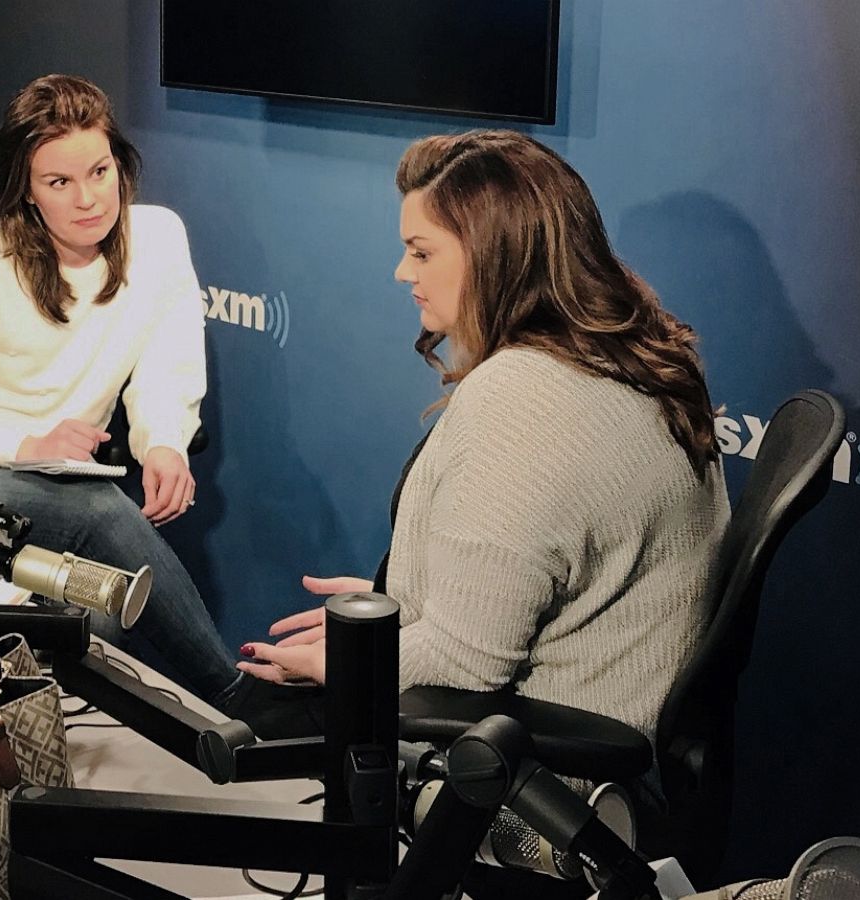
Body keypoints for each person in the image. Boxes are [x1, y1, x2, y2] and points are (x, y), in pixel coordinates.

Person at [231, 131, 731, 771]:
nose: (402, 273)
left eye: (421, 252)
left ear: (493, 255)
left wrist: (341, 658)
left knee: (252, 717)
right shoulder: (629, 355)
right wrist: (401, 597)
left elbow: (467, 663)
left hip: (533, 780)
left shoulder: (525, 402)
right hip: (602, 726)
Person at [0, 74, 239, 706]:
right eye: (60, 183)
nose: (89, 200)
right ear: (26, 189)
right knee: (100, 514)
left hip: (60, 486)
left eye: (100, 172)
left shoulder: (158, 240)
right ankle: (235, 697)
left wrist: (164, 444)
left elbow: (168, 363)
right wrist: (29, 440)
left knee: (99, 609)